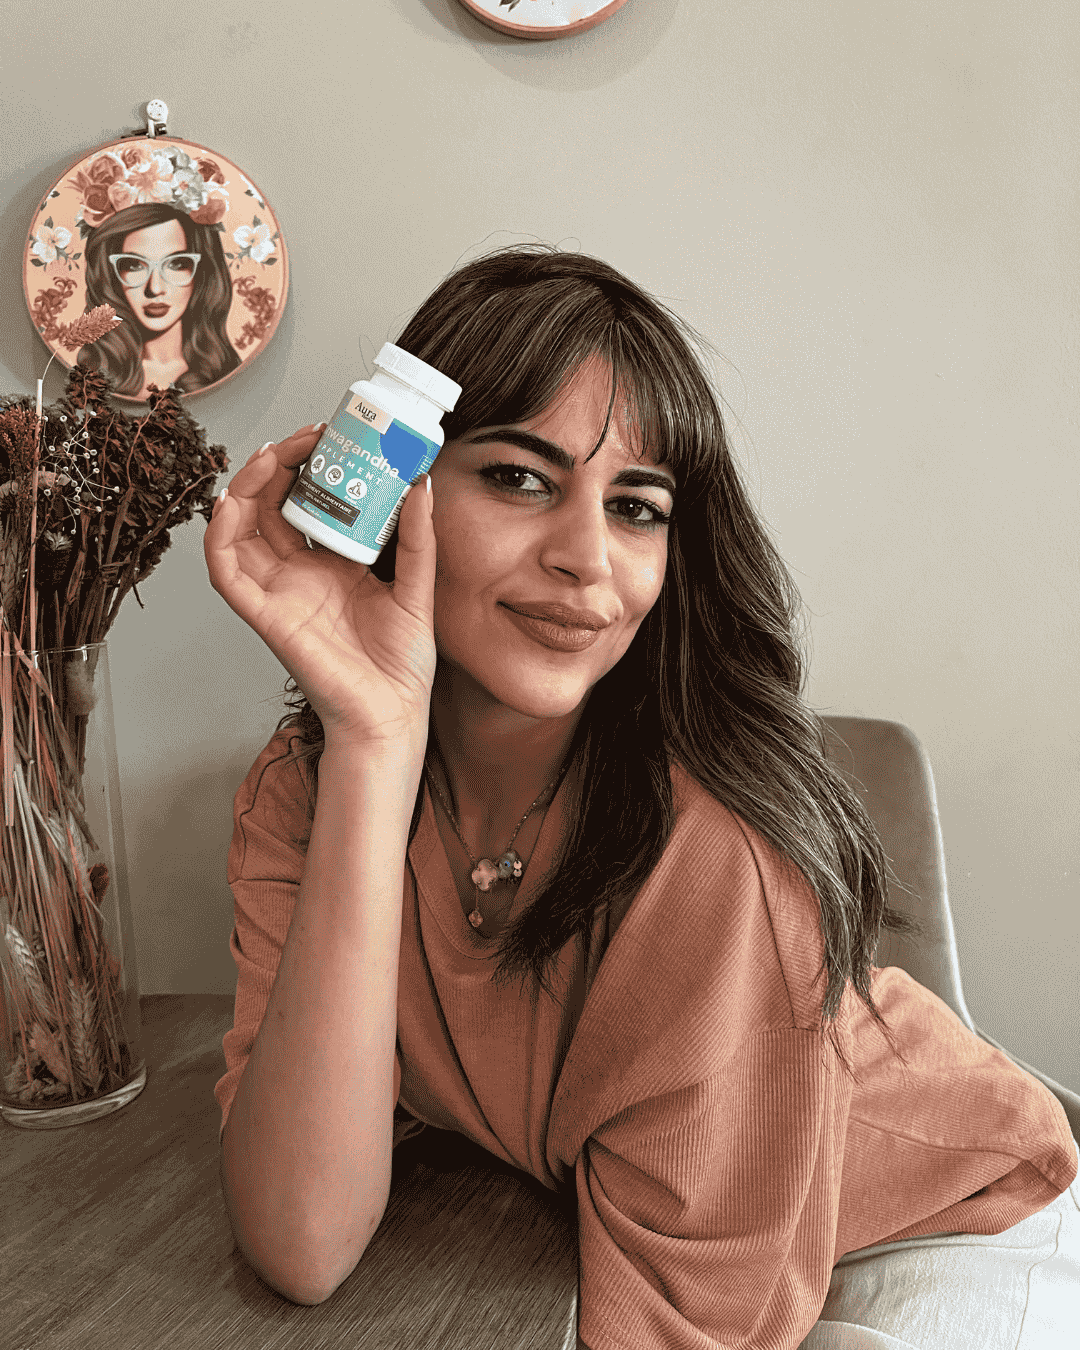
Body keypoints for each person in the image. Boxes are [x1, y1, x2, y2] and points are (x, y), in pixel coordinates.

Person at [203, 244, 1079, 1349]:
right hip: (679, 1236)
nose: (588, 558)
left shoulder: (719, 850)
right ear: (395, 484)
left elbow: (693, 1323)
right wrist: (376, 745)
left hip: (939, 1229)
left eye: (636, 506)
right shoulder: (307, 791)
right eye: (520, 478)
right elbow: (301, 1240)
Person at [80, 202, 241, 399]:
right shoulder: (93, 374)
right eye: (134, 265)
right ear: (111, 276)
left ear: (202, 274)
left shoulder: (225, 372)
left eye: (177, 264)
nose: (155, 289)